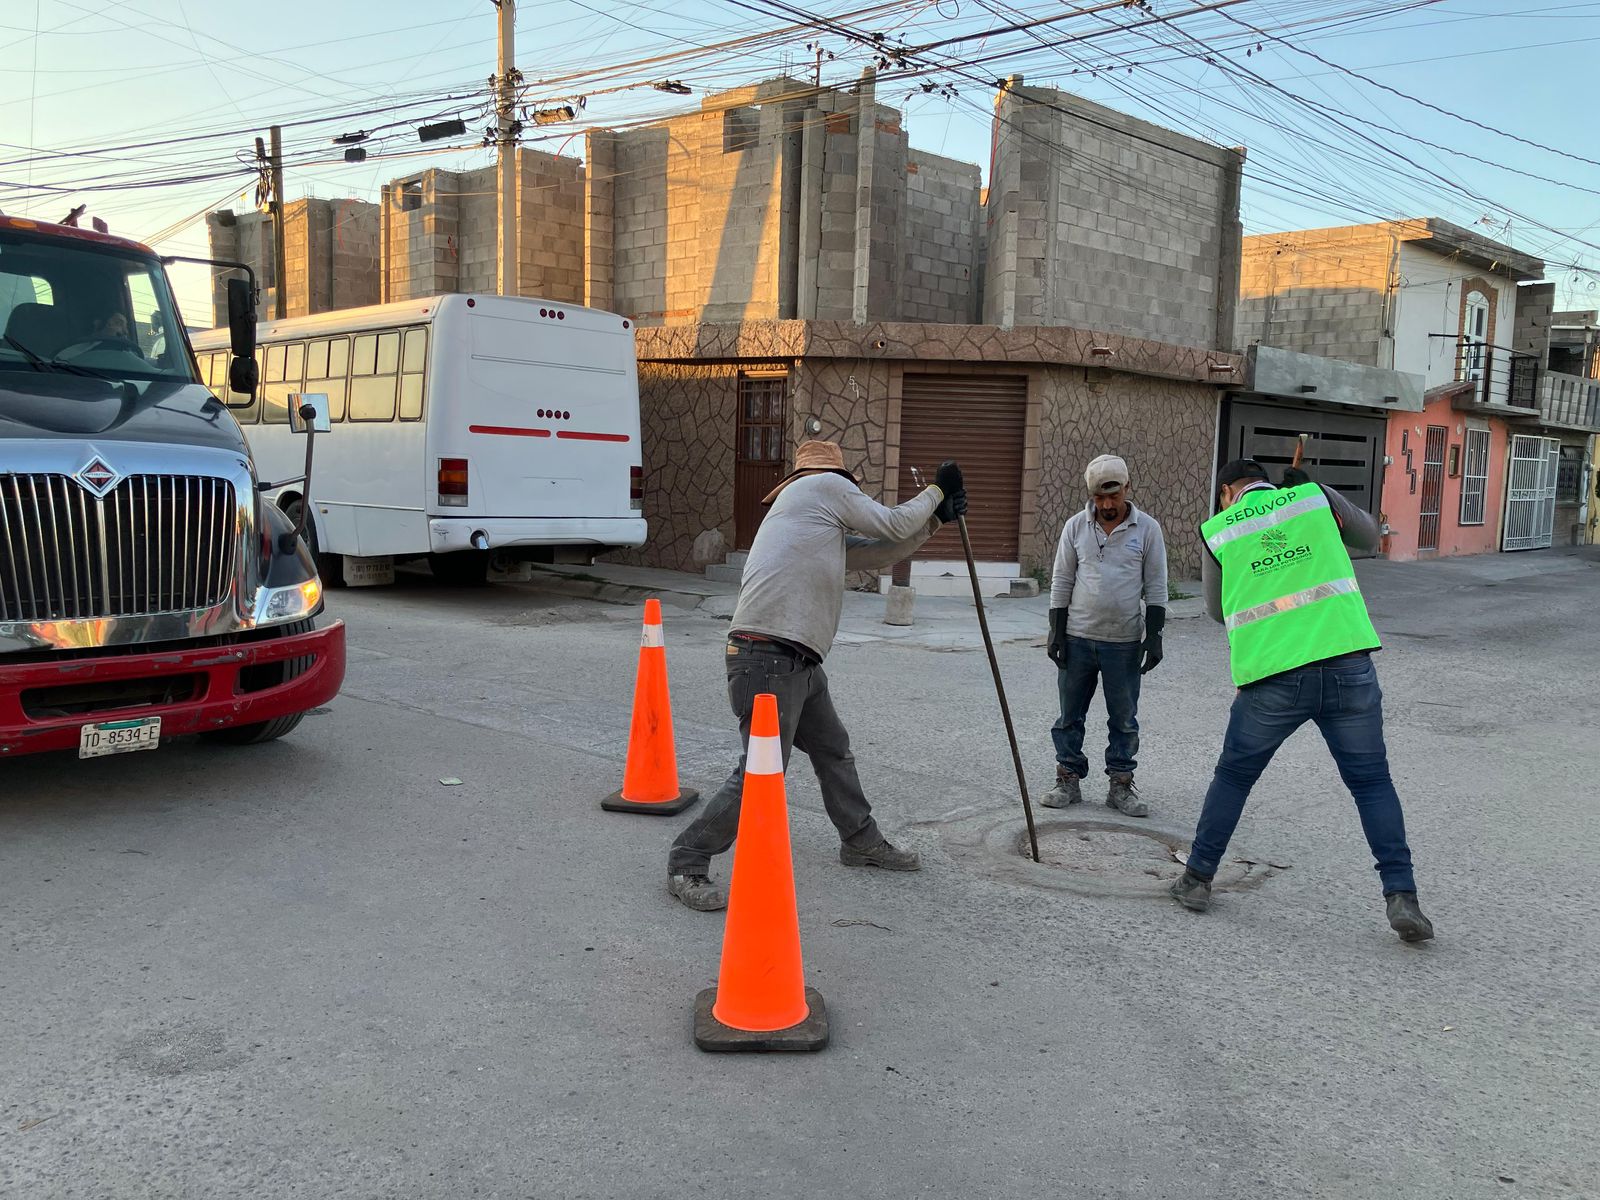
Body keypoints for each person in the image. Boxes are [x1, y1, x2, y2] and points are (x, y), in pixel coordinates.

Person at [667, 440, 967, 911]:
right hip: (765, 656)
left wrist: (935, 520)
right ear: (836, 479)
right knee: (759, 772)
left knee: (833, 750)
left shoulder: (811, 520)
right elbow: (890, 522)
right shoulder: (821, 485)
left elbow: (880, 551)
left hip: (795, 660)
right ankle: (688, 859)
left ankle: (860, 841)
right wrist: (935, 491)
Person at [1169, 459, 1434, 943]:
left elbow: (1214, 608)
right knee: (1372, 784)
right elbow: (1370, 538)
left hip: (1274, 676)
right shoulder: (1316, 498)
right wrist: (1318, 492)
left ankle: (1197, 879)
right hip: (1347, 665)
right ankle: (1402, 897)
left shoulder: (1219, 529)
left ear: (1228, 491)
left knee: (1234, 776)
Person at [1043, 454, 1167, 817]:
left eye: (1114, 496)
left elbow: (1156, 585)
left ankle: (1121, 785)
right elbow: (1062, 579)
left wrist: (1155, 636)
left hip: (1125, 641)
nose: (1107, 505)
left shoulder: (1148, 530)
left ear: (1128, 489)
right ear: (1091, 495)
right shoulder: (1075, 527)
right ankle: (1067, 778)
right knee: (1069, 715)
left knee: (1124, 719)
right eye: (1100, 498)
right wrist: (1056, 632)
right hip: (1078, 636)